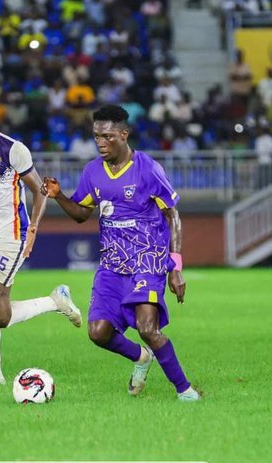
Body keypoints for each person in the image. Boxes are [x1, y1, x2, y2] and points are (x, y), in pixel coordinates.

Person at [41, 105, 200, 401]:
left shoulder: (148, 169)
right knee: (98, 331)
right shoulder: (92, 172)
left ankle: (186, 391)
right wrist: (59, 196)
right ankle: (142, 358)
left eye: (108, 136)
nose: (101, 142)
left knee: (148, 328)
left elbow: (173, 216)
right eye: (97, 136)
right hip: (112, 265)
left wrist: (175, 267)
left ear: (124, 135)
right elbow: (81, 214)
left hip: (147, 260)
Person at [0, 84, 82, 385]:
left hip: (12, 234)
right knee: (1, 316)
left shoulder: (12, 148)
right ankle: (55, 301)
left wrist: (33, 229)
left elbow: (39, 190)